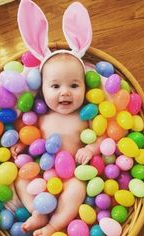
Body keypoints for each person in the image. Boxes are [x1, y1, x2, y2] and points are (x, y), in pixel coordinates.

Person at [9, 53, 106, 236]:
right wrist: (22, 145)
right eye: (55, 86)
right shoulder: (41, 115)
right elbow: (32, 137)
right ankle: (37, 212)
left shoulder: (86, 115)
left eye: (74, 85)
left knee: (77, 190)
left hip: (73, 174)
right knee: (20, 177)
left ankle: (53, 226)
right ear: (42, 90)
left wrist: (90, 149)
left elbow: (102, 137)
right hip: (40, 171)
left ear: (85, 87)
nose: (65, 92)